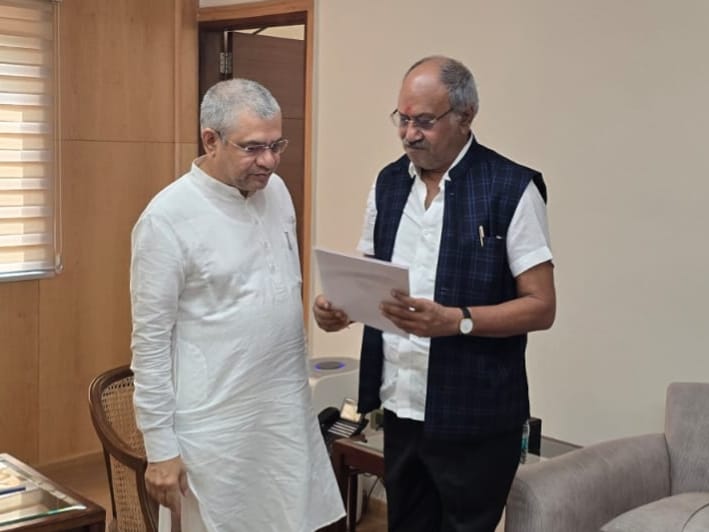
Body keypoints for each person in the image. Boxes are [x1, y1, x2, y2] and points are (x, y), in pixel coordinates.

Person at [313, 56, 556, 532]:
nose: (409, 134)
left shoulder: (510, 188)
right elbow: (370, 277)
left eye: (424, 121)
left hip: (476, 416)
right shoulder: (388, 184)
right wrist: (341, 309)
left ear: (466, 116)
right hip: (401, 406)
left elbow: (541, 306)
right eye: (402, 119)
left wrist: (457, 320)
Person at [130, 78, 344, 532]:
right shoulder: (166, 219)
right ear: (210, 140)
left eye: (276, 145)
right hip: (216, 430)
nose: (269, 160)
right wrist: (160, 449)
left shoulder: (277, 192)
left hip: (284, 415)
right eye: (252, 148)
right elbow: (150, 345)